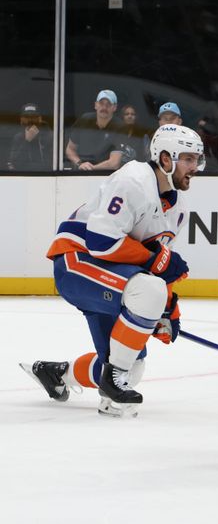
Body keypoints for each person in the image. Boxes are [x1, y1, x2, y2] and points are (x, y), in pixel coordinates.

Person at [20, 125, 205, 417]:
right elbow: (102, 242)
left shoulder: (178, 208)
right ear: (166, 159)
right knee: (148, 294)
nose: (195, 167)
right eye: (188, 159)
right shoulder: (133, 181)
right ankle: (111, 379)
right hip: (76, 262)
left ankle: (58, 375)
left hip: (113, 273)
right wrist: (156, 274)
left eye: (197, 160)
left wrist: (168, 310)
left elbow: (157, 266)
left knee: (134, 366)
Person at [64, 89, 126, 171]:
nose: (104, 107)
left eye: (108, 104)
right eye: (101, 103)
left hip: (107, 176)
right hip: (80, 173)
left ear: (114, 108)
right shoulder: (84, 120)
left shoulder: (120, 127)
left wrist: (91, 169)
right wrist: (79, 164)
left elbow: (114, 163)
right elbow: (70, 149)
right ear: (95, 105)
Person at [6, 102, 53, 171]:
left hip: (45, 175)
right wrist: (27, 140)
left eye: (33, 117)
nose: (30, 120)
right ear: (21, 120)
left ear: (40, 119)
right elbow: (15, 163)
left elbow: (50, 163)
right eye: (26, 117)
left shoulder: (49, 136)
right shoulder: (18, 137)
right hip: (24, 176)